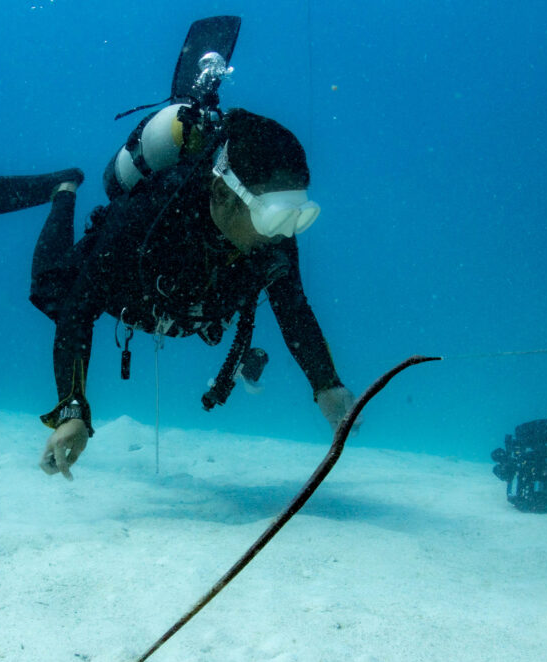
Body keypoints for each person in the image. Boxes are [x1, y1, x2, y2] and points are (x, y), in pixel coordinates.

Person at [25, 107, 357, 479]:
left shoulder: (274, 239)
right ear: (221, 193)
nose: (283, 234)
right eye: (275, 217)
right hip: (130, 294)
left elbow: (293, 308)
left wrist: (327, 385)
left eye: (297, 216)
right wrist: (73, 411)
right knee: (51, 290)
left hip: (188, 308)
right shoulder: (148, 216)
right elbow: (78, 309)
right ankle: (63, 192)